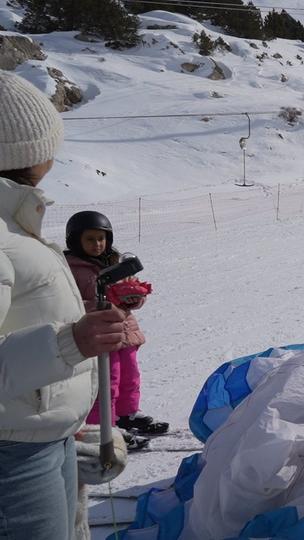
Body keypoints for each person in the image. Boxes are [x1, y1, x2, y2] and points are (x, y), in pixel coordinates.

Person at [0, 71, 128, 539]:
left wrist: (63, 428)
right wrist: (72, 341)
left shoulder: (15, 222)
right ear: (27, 153)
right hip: (13, 460)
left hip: (36, 443)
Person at [64, 212, 168, 450]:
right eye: (90, 239)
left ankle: (126, 415)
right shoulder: (70, 268)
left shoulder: (115, 263)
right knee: (106, 382)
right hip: (100, 335)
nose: (97, 244)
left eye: (101, 238)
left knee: (130, 377)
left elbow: (129, 291)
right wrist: (102, 304)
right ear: (75, 241)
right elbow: (69, 304)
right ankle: (104, 427)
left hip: (125, 331)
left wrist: (133, 297)